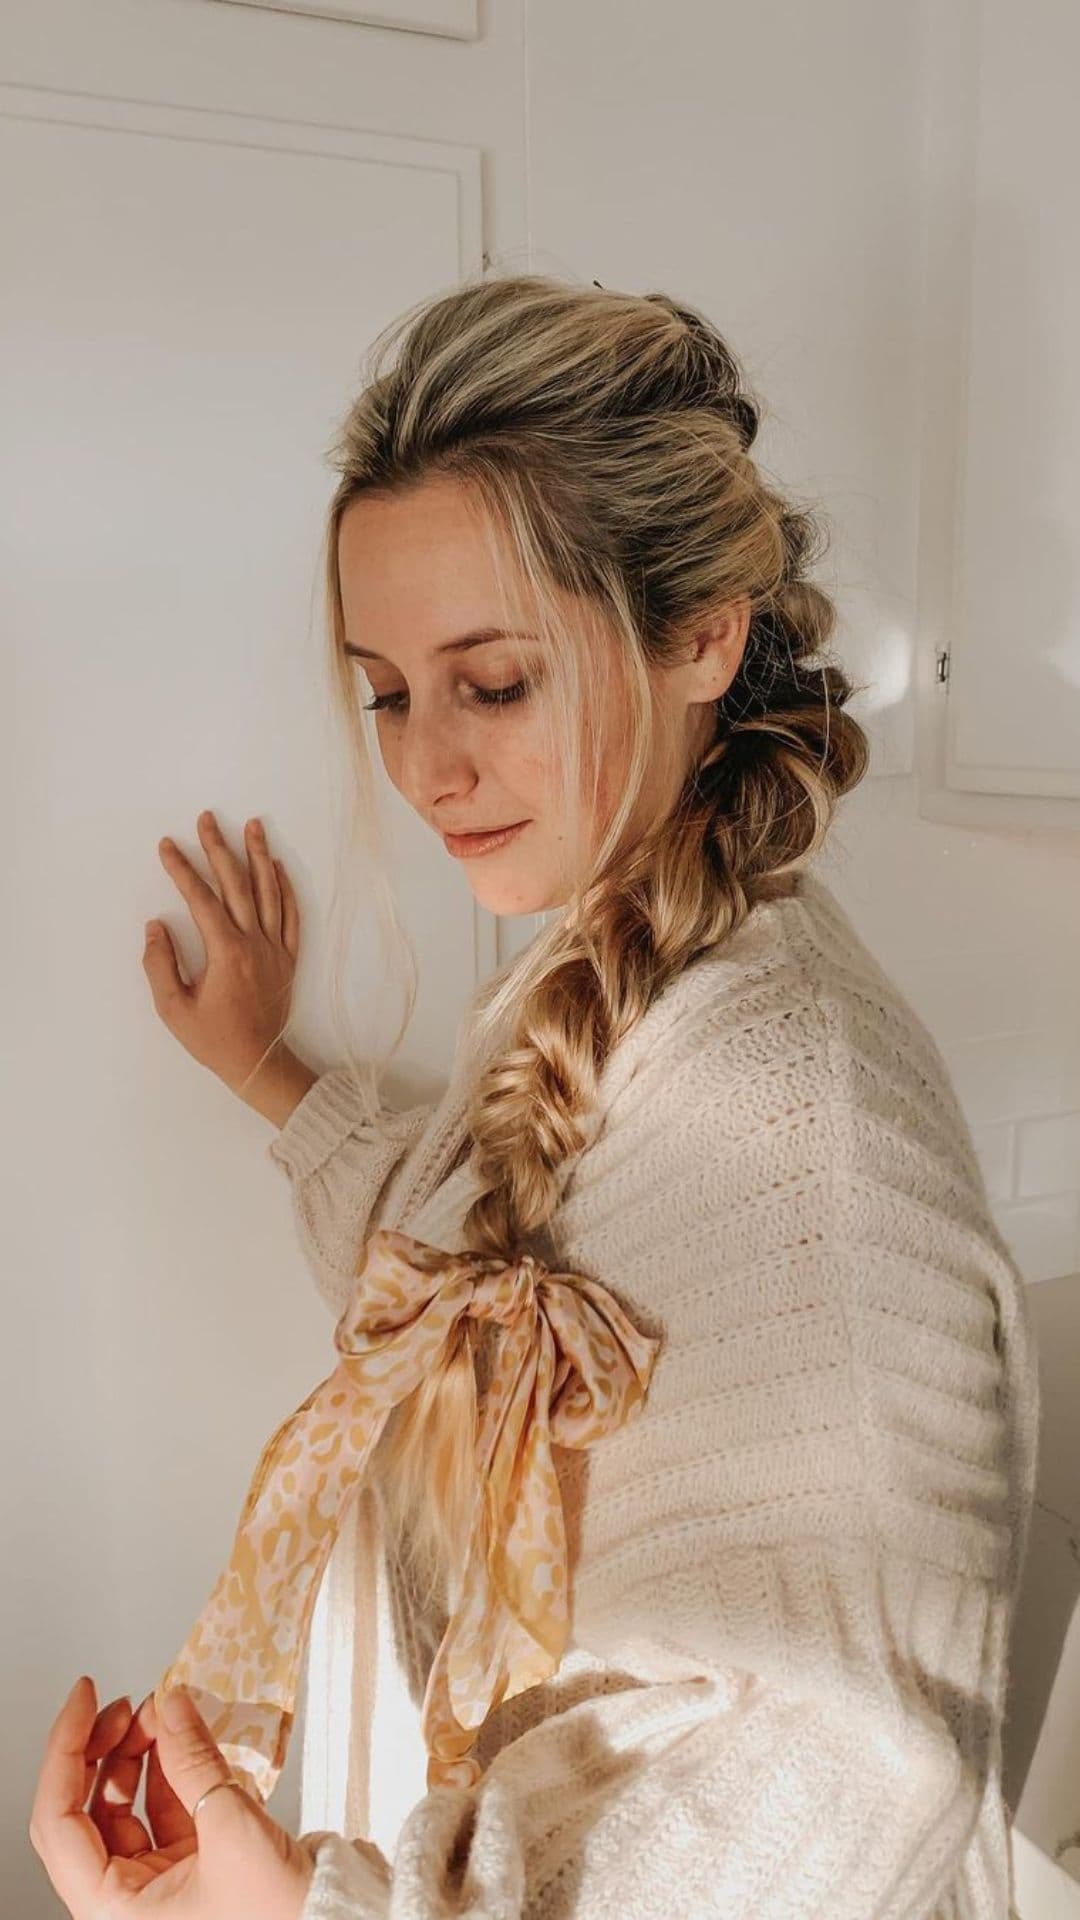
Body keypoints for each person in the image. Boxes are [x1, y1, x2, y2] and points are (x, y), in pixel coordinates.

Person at [31, 273, 1041, 1919]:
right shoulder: (603, 975)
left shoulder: (803, 1117)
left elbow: (846, 1779)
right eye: (386, 690)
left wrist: (306, 1916)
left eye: (490, 684)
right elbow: (474, 1275)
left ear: (705, 635)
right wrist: (266, 1066)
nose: (425, 765)